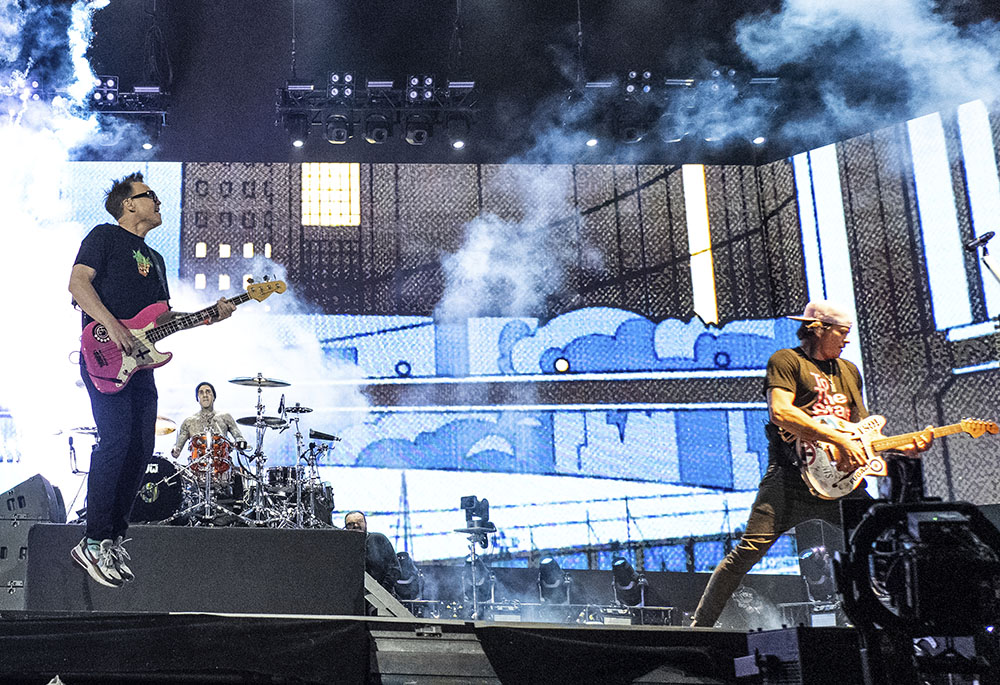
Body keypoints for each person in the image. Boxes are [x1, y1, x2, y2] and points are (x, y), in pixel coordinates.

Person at [690, 300, 933, 627]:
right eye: (843, 332)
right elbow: (781, 412)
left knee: (883, 543)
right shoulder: (787, 361)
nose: (847, 340)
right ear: (818, 329)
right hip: (791, 480)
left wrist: (905, 447)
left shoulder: (848, 371)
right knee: (746, 553)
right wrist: (837, 439)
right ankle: (700, 627)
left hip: (844, 483)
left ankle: (893, 624)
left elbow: (860, 431)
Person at [69, 172, 235, 587]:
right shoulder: (104, 236)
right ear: (129, 204)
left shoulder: (155, 260)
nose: (157, 202)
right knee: (117, 441)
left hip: (140, 363)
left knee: (142, 447)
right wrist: (113, 325)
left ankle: (113, 538)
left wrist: (209, 314)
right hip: (105, 353)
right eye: (150, 196)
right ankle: (90, 540)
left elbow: (162, 321)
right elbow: (77, 284)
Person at [171, 381, 248, 478]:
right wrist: (175, 450)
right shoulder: (189, 422)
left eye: (208, 392)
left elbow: (239, 437)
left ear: (214, 397)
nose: (205, 395)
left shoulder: (225, 417)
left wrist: (240, 442)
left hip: (222, 468)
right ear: (197, 398)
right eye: (201, 393)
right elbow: (177, 449)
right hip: (197, 471)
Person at [344, 510, 401, 594]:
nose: (356, 526)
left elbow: (395, 569)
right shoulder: (343, 547)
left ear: (365, 523)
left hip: (383, 597)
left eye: (359, 522)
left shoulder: (379, 539)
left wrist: (381, 592)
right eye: (350, 524)